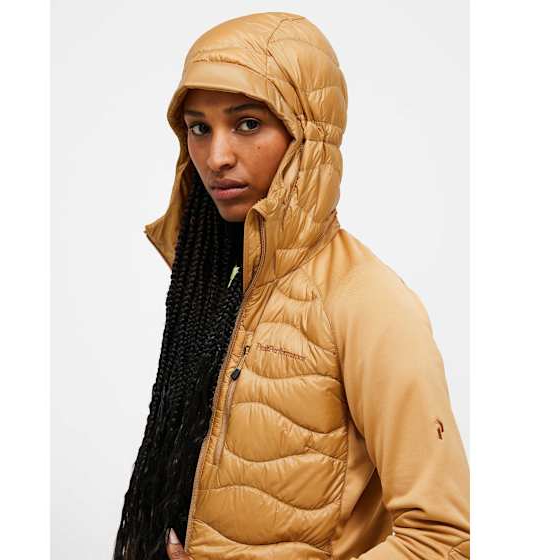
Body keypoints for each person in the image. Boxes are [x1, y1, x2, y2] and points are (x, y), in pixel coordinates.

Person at [114, 11, 470, 560]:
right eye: (199, 127)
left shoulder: (367, 301)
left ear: (308, 134)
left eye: (247, 123)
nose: (216, 157)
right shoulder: (213, 289)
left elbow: (443, 540)